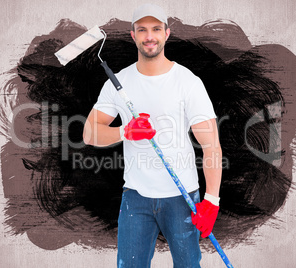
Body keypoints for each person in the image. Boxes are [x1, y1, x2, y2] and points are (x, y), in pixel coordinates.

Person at [83, 3, 222, 267]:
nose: (150, 36)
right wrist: (126, 131)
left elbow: (211, 145)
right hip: (136, 198)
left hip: (182, 198)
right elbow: (90, 133)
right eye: (142, 29)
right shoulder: (118, 83)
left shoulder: (188, 82)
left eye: (156, 28)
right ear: (133, 35)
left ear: (167, 33)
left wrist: (211, 201)